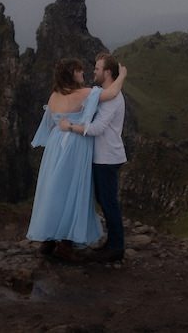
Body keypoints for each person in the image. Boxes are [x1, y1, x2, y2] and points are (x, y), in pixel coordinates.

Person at [27, 56, 128, 259]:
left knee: (53, 189)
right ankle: (66, 240)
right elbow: (113, 92)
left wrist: (60, 130)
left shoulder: (53, 96)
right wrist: (122, 75)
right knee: (71, 191)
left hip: (55, 147)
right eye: (80, 70)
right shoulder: (85, 94)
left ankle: (48, 238)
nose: (85, 73)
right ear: (72, 74)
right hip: (74, 146)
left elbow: (48, 125)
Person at [59, 51, 127, 262]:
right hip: (102, 157)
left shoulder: (113, 99)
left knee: (108, 202)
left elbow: (97, 128)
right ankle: (113, 243)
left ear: (107, 72)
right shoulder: (103, 93)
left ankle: (117, 246)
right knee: (104, 200)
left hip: (108, 158)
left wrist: (70, 127)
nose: (93, 71)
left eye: (97, 69)